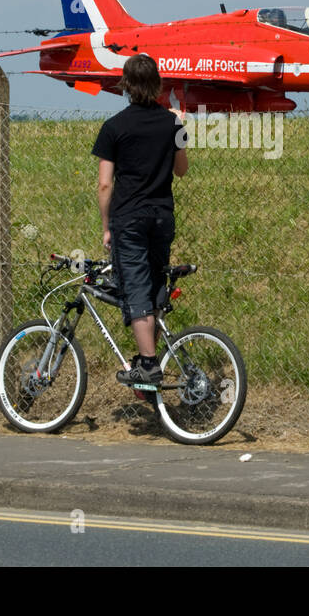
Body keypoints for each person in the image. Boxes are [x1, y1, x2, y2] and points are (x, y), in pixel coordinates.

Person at [92, 54, 189, 386]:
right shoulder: (172, 123)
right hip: (162, 217)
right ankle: (152, 357)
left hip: (129, 217)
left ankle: (148, 364)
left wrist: (107, 226)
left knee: (134, 288)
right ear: (158, 85)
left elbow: (105, 184)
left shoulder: (114, 127)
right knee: (153, 287)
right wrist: (179, 128)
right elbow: (181, 169)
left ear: (126, 85)